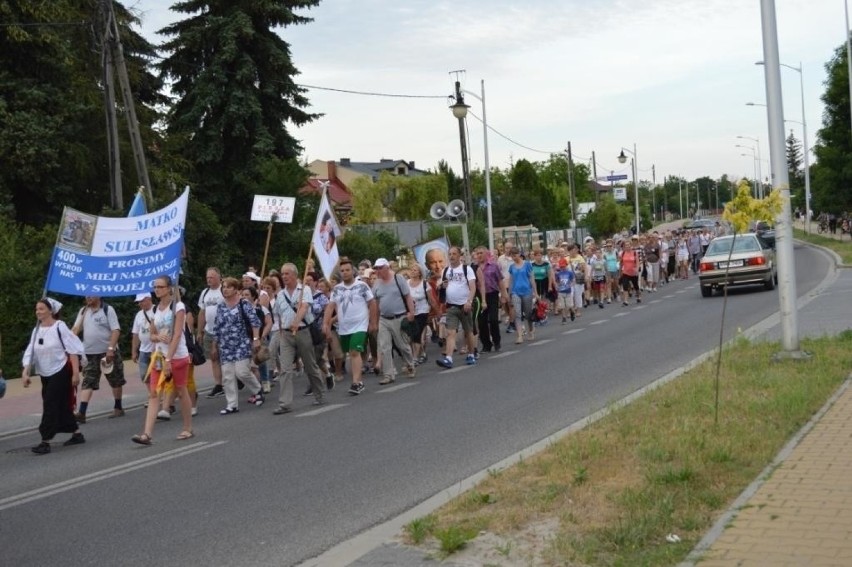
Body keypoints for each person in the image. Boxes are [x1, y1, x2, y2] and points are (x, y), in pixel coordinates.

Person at [132, 276, 194, 444]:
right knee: (153, 393)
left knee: (181, 391)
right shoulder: (156, 309)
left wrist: (169, 359)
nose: (157, 289)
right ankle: (147, 434)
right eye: (155, 287)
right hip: (159, 357)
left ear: (169, 288)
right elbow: (151, 335)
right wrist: (157, 336)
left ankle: (187, 428)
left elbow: (177, 334)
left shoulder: (178, 307)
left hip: (177, 356)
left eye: (160, 286)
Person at [22, 298, 86, 454]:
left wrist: (76, 374)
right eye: (37, 309)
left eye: (42, 309)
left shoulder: (60, 327)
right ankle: (76, 434)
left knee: (50, 403)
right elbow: (31, 352)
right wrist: (25, 371)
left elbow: (73, 349)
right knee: (62, 403)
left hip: (61, 370)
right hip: (45, 372)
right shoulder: (36, 330)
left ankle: (45, 441)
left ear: (51, 311)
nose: (38, 312)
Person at [272, 263, 326, 414]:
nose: (284, 277)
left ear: (295, 275)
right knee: (286, 369)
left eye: (287, 274)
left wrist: (296, 321)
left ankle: (319, 393)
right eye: (282, 274)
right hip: (287, 335)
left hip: (303, 331)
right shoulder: (281, 295)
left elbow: (304, 307)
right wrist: (283, 331)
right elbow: (278, 314)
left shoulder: (304, 289)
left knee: (310, 365)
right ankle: (285, 403)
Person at [210, 277, 265, 415]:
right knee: (227, 376)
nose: (225, 290)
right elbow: (217, 327)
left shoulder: (243, 304)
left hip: (241, 343)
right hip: (225, 346)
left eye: (229, 287)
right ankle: (232, 404)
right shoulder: (221, 306)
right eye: (224, 287)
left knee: (242, 372)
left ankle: (257, 389)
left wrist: (256, 339)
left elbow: (255, 322)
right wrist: (214, 345)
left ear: (236, 289)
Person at [323, 258, 377, 396]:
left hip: (360, 325)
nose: (345, 273)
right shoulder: (337, 289)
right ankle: (359, 382)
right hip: (344, 327)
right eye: (342, 271)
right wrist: (326, 324)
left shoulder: (362, 286)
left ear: (352, 271)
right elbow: (330, 307)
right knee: (350, 353)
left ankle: (356, 382)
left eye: (347, 270)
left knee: (354, 352)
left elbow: (372, 303)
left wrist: (373, 322)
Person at [72, 295, 124, 422]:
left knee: (115, 379)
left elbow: (116, 330)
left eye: (91, 294)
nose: (88, 297)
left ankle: (118, 407)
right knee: (88, 381)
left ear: (99, 295)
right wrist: (67, 339)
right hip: (89, 353)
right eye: (86, 295)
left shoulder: (107, 309)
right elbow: (75, 329)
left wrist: (111, 349)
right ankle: (82, 413)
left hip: (107, 353)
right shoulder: (83, 311)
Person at [372, 257, 417, 383]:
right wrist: (374, 322)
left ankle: (410, 364)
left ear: (387, 268)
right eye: (376, 268)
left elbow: (408, 296)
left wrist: (411, 312)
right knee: (384, 346)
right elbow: (375, 304)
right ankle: (388, 374)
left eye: (380, 268)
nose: (378, 271)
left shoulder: (398, 279)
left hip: (399, 316)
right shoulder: (376, 284)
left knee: (402, 345)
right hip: (384, 319)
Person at [436, 246, 477, 368]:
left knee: (468, 331)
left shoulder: (466, 269)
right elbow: (441, 287)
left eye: (454, 254)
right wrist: (442, 286)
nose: (451, 256)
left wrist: (469, 301)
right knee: (450, 332)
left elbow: (473, 287)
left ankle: (471, 354)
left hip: (464, 305)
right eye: (450, 254)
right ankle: (448, 358)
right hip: (451, 306)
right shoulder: (445, 270)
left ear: (460, 256)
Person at [198, 267, 225, 399]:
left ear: (219, 277)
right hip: (209, 330)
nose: (209, 280)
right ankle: (218, 384)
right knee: (214, 358)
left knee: (226, 358)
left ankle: (235, 379)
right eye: (207, 277)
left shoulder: (224, 291)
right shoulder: (205, 293)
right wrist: (199, 331)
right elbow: (202, 312)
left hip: (224, 331)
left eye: (212, 277)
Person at [473, 246, 505, 353]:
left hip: (492, 294)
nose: (479, 255)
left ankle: (497, 342)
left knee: (493, 320)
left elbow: (500, 281)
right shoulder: (473, 268)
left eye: (481, 253)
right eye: (477, 254)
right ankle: (486, 344)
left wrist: (504, 295)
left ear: (486, 254)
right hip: (478, 296)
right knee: (481, 322)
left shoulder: (494, 266)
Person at [506, 245, 538, 344]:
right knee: (518, 314)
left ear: (519, 254)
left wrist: (535, 293)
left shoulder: (527, 264)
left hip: (527, 291)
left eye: (515, 255)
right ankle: (519, 336)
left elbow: (532, 278)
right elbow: (511, 281)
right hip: (516, 292)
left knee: (528, 314)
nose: (514, 257)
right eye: (512, 256)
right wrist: (509, 294)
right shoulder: (512, 267)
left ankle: (531, 330)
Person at [406, 262, 435, 364]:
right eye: (411, 270)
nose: (412, 272)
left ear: (419, 273)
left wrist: (436, 311)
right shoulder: (406, 283)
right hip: (411, 313)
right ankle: (422, 353)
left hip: (423, 311)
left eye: (415, 270)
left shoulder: (424, 284)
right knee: (410, 337)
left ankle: (414, 358)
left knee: (417, 334)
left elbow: (431, 299)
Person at [130, 292, 155, 383]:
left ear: (149, 299)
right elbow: (135, 334)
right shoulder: (139, 315)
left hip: (156, 350)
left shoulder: (156, 310)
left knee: (158, 375)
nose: (140, 303)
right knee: (145, 376)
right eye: (138, 302)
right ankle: (152, 394)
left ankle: (157, 395)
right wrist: (134, 352)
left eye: (142, 301)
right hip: (143, 350)